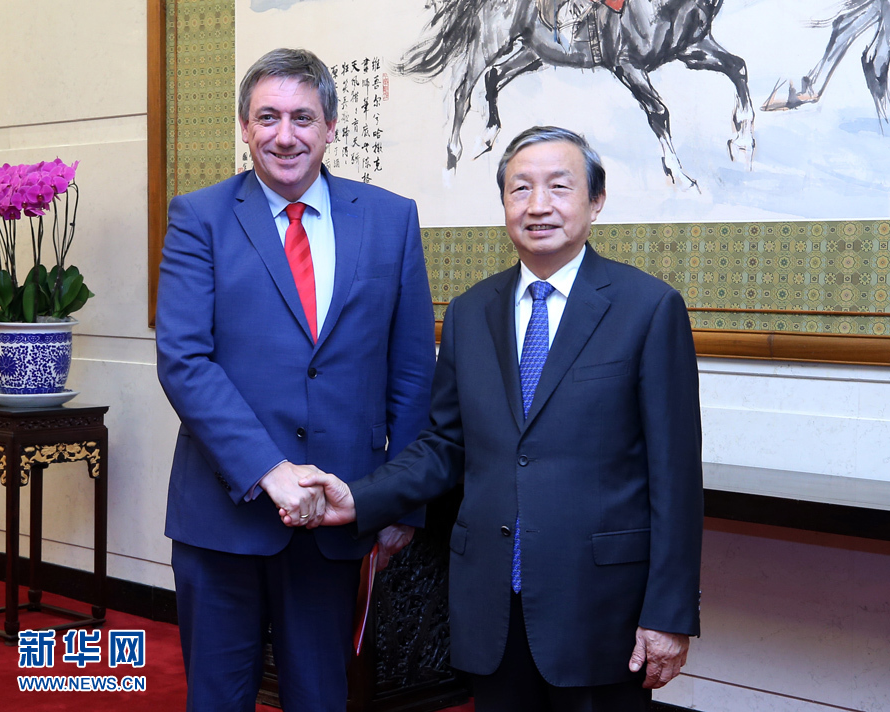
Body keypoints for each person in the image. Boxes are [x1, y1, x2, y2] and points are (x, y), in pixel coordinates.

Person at [292, 126, 704, 712]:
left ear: (596, 200)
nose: (538, 205)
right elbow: (444, 445)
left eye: (559, 187)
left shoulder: (648, 309)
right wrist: (361, 498)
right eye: (520, 189)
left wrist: (668, 614)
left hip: (598, 608)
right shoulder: (470, 312)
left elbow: (676, 478)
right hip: (490, 603)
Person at [155, 48, 436, 712]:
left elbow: (411, 370)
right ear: (245, 127)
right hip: (222, 514)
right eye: (268, 117)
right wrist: (269, 470)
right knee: (218, 698)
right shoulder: (199, 217)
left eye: (303, 117)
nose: (285, 135)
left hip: (337, 514)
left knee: (320, 697)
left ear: (331, 126)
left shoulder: (391, 219)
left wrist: (397, 500)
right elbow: (185, 361)